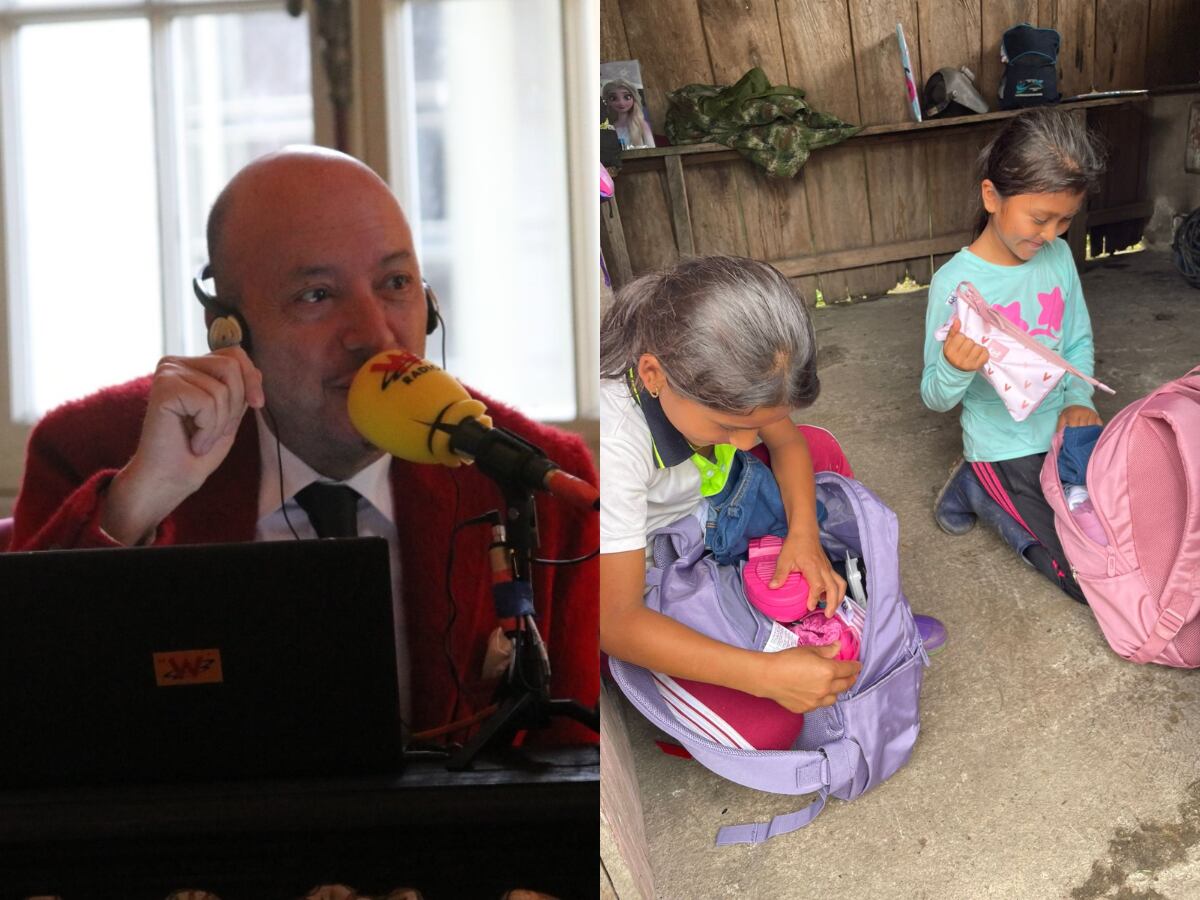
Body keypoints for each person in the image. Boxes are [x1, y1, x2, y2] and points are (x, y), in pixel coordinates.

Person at [10, 146, 598, 745]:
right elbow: (30, 721)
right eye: (316, 294)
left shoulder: (531, 476)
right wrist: (137, 502)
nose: (374, 335)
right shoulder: (90, 450)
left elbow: (579, 766)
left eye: (395, 283)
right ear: (229, 332)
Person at [602, 256, 861, 720]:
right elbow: (616, 620)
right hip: (654, 561)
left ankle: (853, 620)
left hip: (714, 506)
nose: (746, 442)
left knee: (817, 449)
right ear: (653, 375)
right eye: (726, 426)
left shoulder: (729, 369)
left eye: (754, 425)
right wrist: (764, 675)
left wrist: (803, 535)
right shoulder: (612, 443)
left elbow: (790, 444)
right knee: (772, 727)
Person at [922, 107, 1107, 603]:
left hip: (1064, 430)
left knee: (1123, 524)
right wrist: (954, 367)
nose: (1051, 235)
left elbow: (1076, 342)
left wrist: (1078, 396)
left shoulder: (1059, 257)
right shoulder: (956, 286)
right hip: (1005, 445)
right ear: (992, 197)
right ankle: (976, 485)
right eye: (1040, 218)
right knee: (1082, 575)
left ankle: (983, 485)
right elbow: (935, 396)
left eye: (1065, 220)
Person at [601, 79, 655, 150]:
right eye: (613, 98)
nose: (621, 102)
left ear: (634, 98)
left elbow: (652, 150)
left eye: (627, 97)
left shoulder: (641, 125)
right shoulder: (608, 127)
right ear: (607, 102)